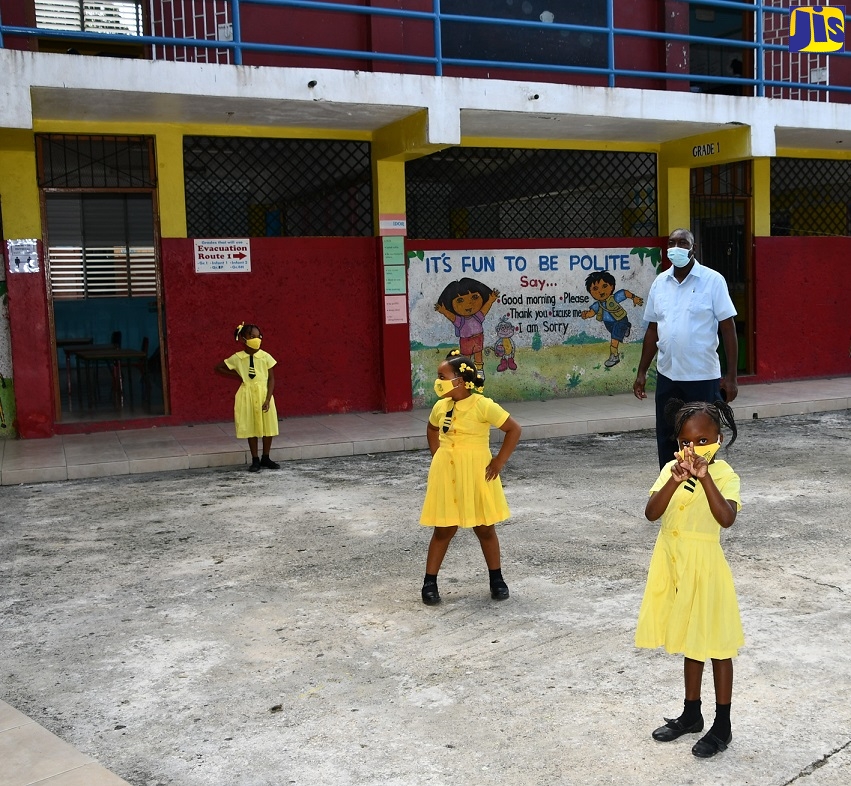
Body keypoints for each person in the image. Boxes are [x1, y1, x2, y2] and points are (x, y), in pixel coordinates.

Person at [635, 398, 743, 759]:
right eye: (684, 442)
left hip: (705, 567)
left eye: (700, 441)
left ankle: (722, 725)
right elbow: (651, 513)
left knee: (717, 646)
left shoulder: (725, 475)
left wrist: (705, 476)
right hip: (672, 562)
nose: (691, 449)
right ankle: (691, 713)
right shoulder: (670, 469)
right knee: (691, 641)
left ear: (718, 437)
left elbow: (726, 517)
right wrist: (676, 479)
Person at [419, 350, 522, 605]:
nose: (437, 381)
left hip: (477, 473)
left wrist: (498, 461)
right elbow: (432, 428)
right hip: (448, 473)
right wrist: (438, 455)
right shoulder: (440, 406)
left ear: (460, 381)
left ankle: (496, 579)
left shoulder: (482, 405)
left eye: (442, 376)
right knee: (443, 528)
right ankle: (429, 582)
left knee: (485, 527)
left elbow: (513, 429)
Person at [633, 228, 739, 468]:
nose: (676, 248)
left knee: (702, 439)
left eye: (683, 243)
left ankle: (703, 490)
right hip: (668, 376)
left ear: (694, 248)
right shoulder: (660, 283)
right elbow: (652, 329)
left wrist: (731, 377)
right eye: (672, 243)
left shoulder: (713, 280)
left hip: (702, 377)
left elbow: (728, 328)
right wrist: (641, 372)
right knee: (667, 437)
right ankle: (669, 488)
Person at [214, 322, 280, 472]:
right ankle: (255, 459)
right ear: (243, 339)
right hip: (247, 394)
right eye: (252, 336)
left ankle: (266, 457)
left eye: (258, 336)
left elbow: (271, 379)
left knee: (267, 427)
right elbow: (218, 367)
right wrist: (238, 375)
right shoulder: (238, 358)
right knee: (251, 426)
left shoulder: (265, 356)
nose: (256, 339)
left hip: (264, 393)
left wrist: (268, 398)